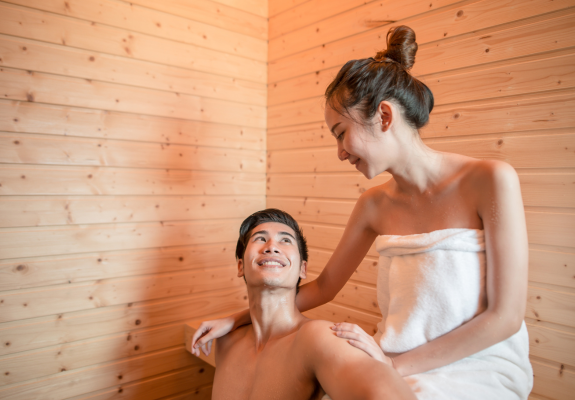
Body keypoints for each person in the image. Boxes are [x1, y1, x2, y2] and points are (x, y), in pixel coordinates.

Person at [192, 26, 534, 399]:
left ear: (384, 116)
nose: (340, 152)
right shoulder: (373, 205)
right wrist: (237, 318)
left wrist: (392, 366)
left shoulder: (490, 180)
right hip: (392, 359)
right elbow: (323, 287)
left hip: (478, 366)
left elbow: (505, 317)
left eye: (340, 133)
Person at [202, 208, 416, 399]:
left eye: (285, 240)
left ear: (302, 269)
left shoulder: (317, 338)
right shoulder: (226, 341)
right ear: (240, 266)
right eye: (260, 238)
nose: (272, 247)